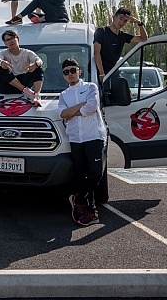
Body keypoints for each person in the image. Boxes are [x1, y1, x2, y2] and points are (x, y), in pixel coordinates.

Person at [58, 58, 106, 227]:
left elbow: (91, 107)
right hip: (75, 138)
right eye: (66, 72)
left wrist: (73, 111)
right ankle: (91, 212)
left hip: (93, 136)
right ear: (63, 76)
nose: (70, 74)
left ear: (80, 71)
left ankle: (77, 198)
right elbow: (63, 114)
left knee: (96, 173)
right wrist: (80, 107)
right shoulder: (64, 95)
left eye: (73, 70)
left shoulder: (90, 87)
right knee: (82, 175)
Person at [93, 7, 147, 83]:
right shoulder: (101, 31)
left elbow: (143, 39)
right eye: (120, 19)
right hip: (98, 73)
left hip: (113, 72)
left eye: (125, 21)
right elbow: (96, 53)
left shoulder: (122, 36)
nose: (122, 22)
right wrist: (101, 73)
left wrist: (139, 23)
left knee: (126, 91)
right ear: (114, 17)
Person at [0, 30, 44, 106]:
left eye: (12, 38)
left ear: (17, 39)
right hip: (8, 86)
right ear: (5, 43)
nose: (10, 41)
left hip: (24, 81)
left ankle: (36, 95)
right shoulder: (3, 53)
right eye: (7, 40)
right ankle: (26, 91)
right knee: (0, 67)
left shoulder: (27, 52)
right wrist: (2, 62)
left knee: (38, 66)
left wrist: (35, 65)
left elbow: (39, 61)